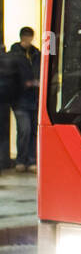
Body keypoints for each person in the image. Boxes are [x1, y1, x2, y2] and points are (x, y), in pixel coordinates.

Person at [11, 27, 40, 171]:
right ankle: (21, 160)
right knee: (25, 130)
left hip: (34, 98)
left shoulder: (36, 54)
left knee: (33, 130)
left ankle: (30, 160)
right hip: (20, 99)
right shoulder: (15, 54)